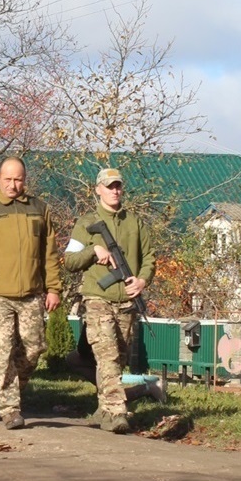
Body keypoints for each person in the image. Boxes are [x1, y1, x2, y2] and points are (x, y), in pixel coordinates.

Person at [0, 157, 62, 430]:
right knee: (0, 350)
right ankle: (9, 408)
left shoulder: (39, 209)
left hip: (31, 293)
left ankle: (6, 388)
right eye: (7, 179)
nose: (12, 185)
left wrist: (53, 288)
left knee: (34, 348)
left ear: (25, 180)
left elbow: (49, 254)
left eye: (17, 179)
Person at [63, 168, 155, 434]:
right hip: (97, 299)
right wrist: (94, 250)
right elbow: (70, 261)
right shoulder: (86, 223)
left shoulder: (134, 222)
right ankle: (117, 413)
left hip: (126, 301)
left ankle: (104, 409)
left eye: (118, 186)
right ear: (98, 189)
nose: (115, 190)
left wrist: (142, 280)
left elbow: (149, 257)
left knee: (119, 359)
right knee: (108, 357)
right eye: (109, 186)